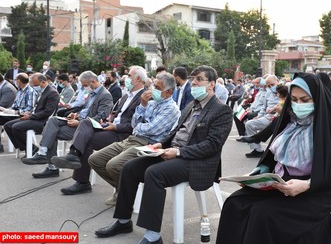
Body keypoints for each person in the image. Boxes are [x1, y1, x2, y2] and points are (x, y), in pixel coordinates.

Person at [94, 65, 233, 244]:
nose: (194, 83)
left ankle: (152, 236)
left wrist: (179, 152)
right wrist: (162, 144)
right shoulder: (192, 104)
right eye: (193, 79)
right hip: (172, 151)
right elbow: (176, 132)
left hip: (195, 160)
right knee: (130, 167)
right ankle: (123, 220)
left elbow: (212, 145)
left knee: (154, 173)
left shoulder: (221, 110)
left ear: (212, 84)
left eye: (199, 79)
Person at [216, 72, 331, 244]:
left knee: (263, 214)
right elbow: (273, 158)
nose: (298, 105)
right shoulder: (291, 120)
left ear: (318, 98)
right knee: (235, 202)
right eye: (294, 99)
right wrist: (259, 172)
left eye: (305, 100)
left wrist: (307, 185)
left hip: (315, 191)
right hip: (281, 183)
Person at [83, 72, 180, 204]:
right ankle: (123, 189)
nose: (153, 91)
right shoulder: (151, 103)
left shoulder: (171, 109)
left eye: (157, 88)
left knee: (113, 165)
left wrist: (138, 126)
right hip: (132, 139)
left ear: (168, 92)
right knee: (95, 159)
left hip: (148, 144)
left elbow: (152, 129)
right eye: (153, 86)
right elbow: (134, 123)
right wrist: (143, 104)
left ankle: (126, 194)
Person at [51, 66, 147, 194]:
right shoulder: (126, 96)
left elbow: (137, 124)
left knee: (87, 140)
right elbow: (115, 114)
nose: (126, 79)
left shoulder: (145, 98)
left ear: (139, 79)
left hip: (122, 134)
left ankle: (82, 182)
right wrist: (108, 121)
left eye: (129, 76)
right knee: (86, 122)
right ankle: (73, 154)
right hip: (109, 126)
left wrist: (116, 126)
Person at [21, 71, 113, 178]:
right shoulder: (92, 93)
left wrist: (79, 122)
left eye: (85, 85)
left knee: (51, 132)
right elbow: (85, 110)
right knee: (53, 120)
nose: (84, 88)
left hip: (87, 128)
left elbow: (101, 117)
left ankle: (51, 166)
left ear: (92, 81)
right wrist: (75, 115)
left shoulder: (105, 95)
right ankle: (42, 152)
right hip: (79, 121)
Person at [4, 73, 60, 154]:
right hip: (34, 117)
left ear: (43, 82)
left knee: (16, 127)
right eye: (33, 84)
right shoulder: (43, 91)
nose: (33, 86)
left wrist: (30, 117)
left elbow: (47, 112)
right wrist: (28, 113)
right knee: (7, 126)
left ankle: (31, 149)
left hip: (43, 121)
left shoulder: (52, 93)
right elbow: (36, 107)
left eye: (35, 84)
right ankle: (26, 147)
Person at [240, 75, 280, 158]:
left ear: (278, 81)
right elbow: (264, 107)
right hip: (268, 116)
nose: (271, 87)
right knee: (249, 124)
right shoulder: (268, 92)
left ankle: (257, 139)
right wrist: (259, 116)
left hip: (280, 116)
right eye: (269, 86)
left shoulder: (286, 90)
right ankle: (257, 150)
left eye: (272, 84)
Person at [0, 73, 37, 153]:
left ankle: (29, 147)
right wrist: (7, 110)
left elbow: (30, 108)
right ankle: (22, 146)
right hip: (15, 114)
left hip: (23, 115)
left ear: (19, 81)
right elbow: (15, 105)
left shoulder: (30, 91)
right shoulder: (20, 90)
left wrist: (16, 112)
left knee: (10, 125)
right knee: (7, 125)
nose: (15, 81)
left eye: (16, 79)